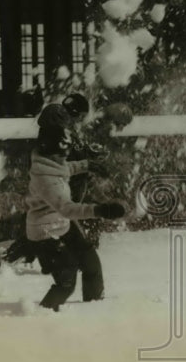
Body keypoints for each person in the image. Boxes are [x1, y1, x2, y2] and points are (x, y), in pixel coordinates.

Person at [25, 125, 126, 311]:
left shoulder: (49, 163)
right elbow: (68, 209)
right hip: (45, 233)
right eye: (61, 153)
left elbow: (62, 168)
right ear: (50, 151)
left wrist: (86, 165)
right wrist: (100, 210)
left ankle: (95, 308)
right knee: (66, 281)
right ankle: (40, 317)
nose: (65, 157)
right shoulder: (47, 180)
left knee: (91, 263)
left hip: (60, 224)